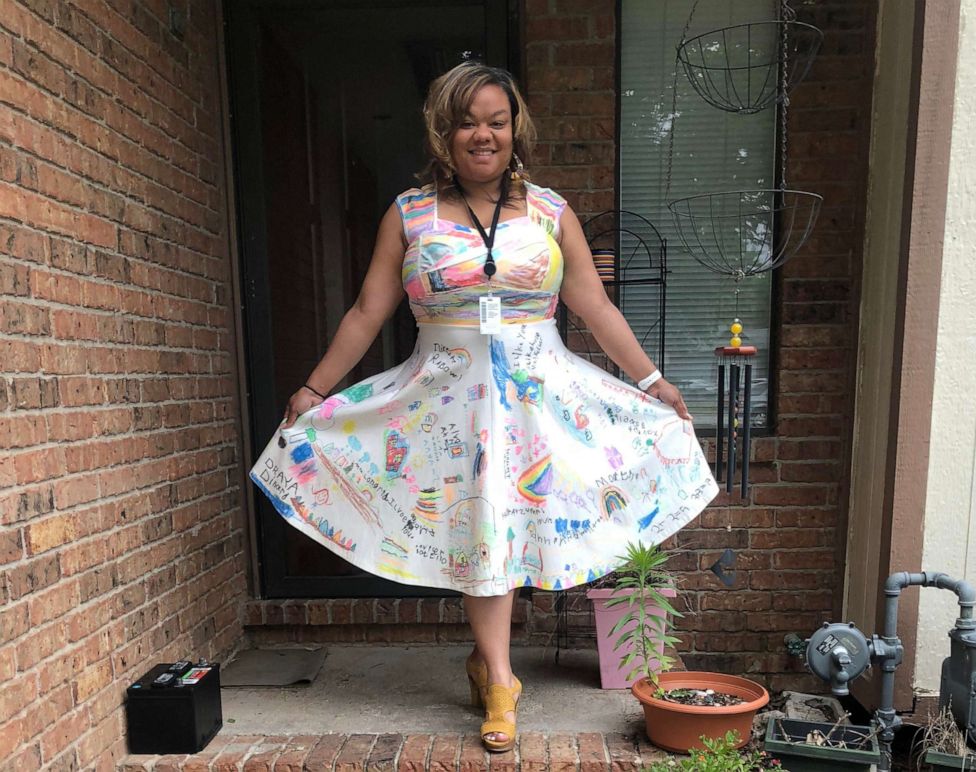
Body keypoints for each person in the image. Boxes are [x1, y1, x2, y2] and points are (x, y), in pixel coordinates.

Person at [250, 61, 719, 753]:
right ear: (444, 132)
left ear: (514, 129)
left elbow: (593, 305)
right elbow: (366, 311)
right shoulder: (407, 214)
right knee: (481, 536)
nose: (483, 135)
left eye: (496, 122)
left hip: (538, 401)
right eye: (467, 121)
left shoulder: (552, 212)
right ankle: (501, 680)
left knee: (511, 530)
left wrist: (652, 383)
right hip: (445, 407)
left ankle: (490, 668)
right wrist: (315, 389)